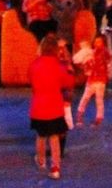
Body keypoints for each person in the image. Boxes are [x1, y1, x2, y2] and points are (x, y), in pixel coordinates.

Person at [30, 33, 74, 179]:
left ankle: (41, 160)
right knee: (54, 137)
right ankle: (55, 166)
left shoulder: (35, 65)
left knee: (41, 136)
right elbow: (68, 83)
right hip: (55, 108)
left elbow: (29, 78)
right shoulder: (59, 66)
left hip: (38, 108)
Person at [74, 34, 112, 125]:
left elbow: (108, 59)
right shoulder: (92, 52)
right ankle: (79, 115)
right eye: (95, 42)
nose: (96, 44)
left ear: (103, 43)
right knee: (85, 97)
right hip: (91, 79)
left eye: (99, 42)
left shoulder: (104, 52)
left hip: (100, 79)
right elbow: (84, 62)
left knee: (99, 99)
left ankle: (99, 118)